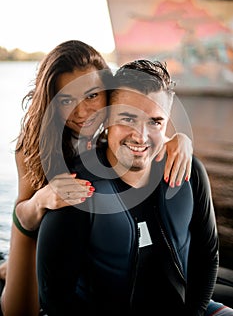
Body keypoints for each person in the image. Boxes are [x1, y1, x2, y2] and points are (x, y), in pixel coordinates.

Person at [0, 42, 193, 316]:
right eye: (67, 100)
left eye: (92, 96)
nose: (82, 112)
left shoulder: (111, 130)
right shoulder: (34, 145)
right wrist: (41, 200)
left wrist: (180, 140)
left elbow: (148, 127)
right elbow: (23, 212)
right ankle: (10, 266)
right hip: (33, 232)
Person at [36, 59, 233, 315]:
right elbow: (55, 298)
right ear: (106, 120)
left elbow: (207, 257)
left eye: (155, 122)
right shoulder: (76, 189)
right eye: (128, 118)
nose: (140, 136)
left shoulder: (189, 172)